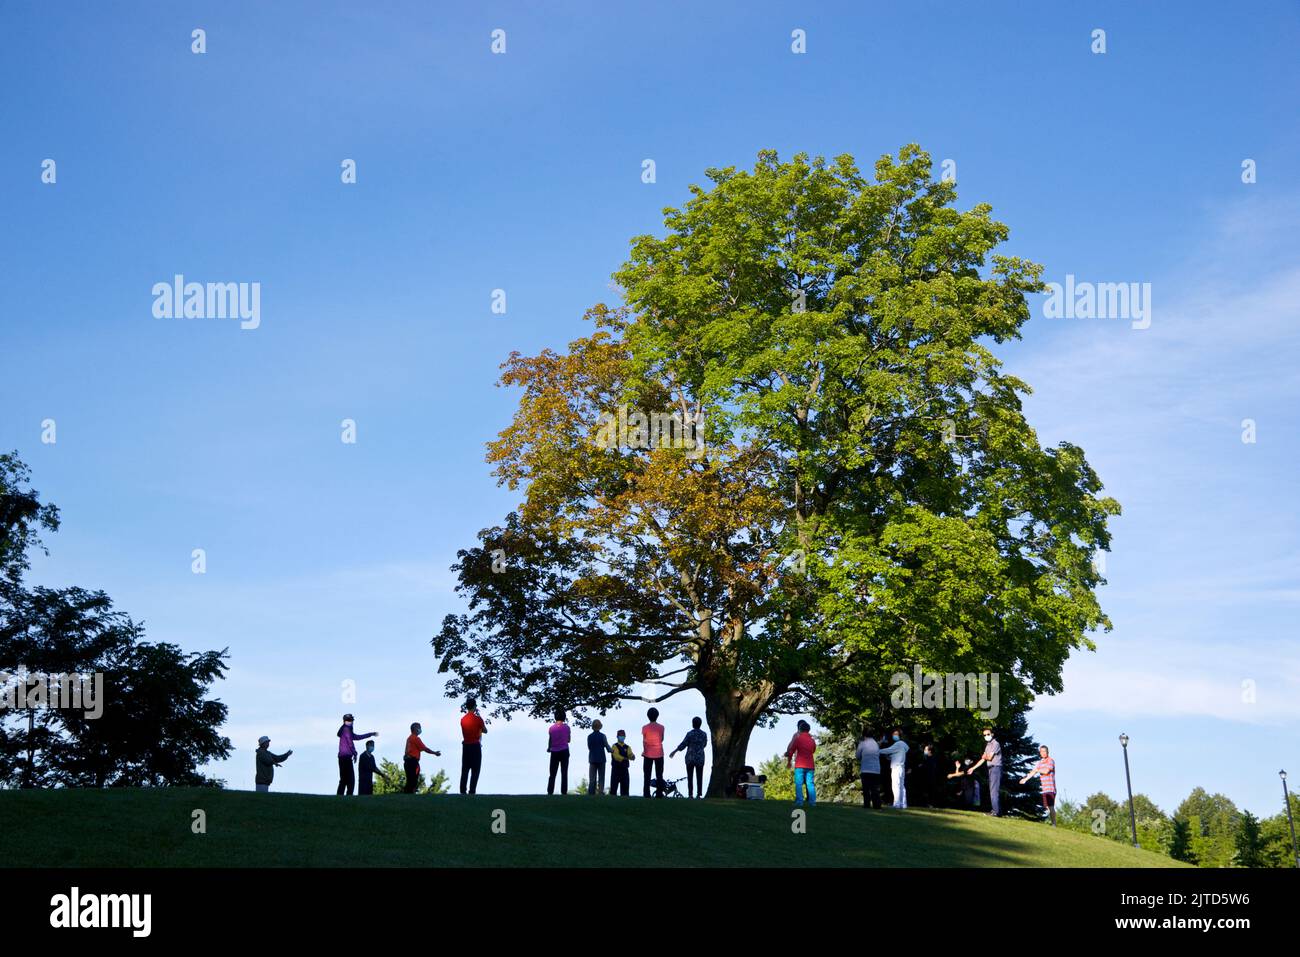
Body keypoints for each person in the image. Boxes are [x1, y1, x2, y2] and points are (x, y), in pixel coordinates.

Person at [337, 713, 377, 796]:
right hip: (346, 758)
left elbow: (357, 737)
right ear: (344, 721)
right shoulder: (346, 729)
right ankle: (348, 797)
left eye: (351, 720)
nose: (351, 722)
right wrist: (355, 753)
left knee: (344, 779)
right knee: (350, 780)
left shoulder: (345, 730)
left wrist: (370, 734)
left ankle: (340, 797)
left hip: (343, 758)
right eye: (349, 720)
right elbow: (350, 742)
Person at [670, 717, 708, 798]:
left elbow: (683, 744)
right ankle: (699, 794)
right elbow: (704, 744)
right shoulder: (704, 734)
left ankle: (690, 794)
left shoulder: (689, 734)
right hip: (700, 758)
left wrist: (674, 751)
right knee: (699, 776)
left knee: (690, 777)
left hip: (690, 758)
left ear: (693, 724)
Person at [967, 727, 1002, 816]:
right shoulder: (988, 745)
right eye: (984, 735)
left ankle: (995, 812)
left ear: (992, 734)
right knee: (992, 790)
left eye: (988, 734)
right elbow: (983, 759)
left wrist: (984, 756)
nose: (986, 736)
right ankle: (997, 811)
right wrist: (973, 768)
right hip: (990, 769)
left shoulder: (995, 744)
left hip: (995, 768)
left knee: (994, 791)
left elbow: (989, 758)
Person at [1021, 744, 1057, 826]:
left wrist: (1037, 770)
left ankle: (1054, 824)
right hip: (1044, 788)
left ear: (1047, 752)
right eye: (1041, 751)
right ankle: (1052, 822)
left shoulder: (1050, 760)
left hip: (1051, 788)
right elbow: (1033, 771)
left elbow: (1046, 771)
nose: (1043, 753)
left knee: (1051, 806)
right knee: (1047, 807)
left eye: (1044, 751)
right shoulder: (1040, 762)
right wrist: (1025, 779)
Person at [784, 719, 817, 806]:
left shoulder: (798, 739)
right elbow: (813, 750)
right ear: (808, 730)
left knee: (799, 784)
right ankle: (812, 802)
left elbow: (791, 750)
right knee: (810, 784)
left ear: (800, 729)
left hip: (800, 765)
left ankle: (799, 802)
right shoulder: (812, 740)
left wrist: (789, 760)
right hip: (810, 765)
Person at [460, 697, 487, 794]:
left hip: (466, 746)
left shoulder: (462, 719)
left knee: (465, 769)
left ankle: (463, 790)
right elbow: (485, 730)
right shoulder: (478, 719)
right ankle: (472, 791)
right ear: (475, 706)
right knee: (475, 770)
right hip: (475, 746)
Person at [404, 722, 441, 794]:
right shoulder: (416, 738)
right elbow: (425, 748)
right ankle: (411, 794)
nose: (420, 729)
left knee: (409, 779)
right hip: (413, 761)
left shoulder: (409, 738)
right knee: (414, 780)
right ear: (415, 729)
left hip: (407, 762)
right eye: (419, 727)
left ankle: (407, 794)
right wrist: (435, 753)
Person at [879, 728, 909, 808]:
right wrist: (890, 757)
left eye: (896, 734)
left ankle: (896, 804)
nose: (894, 736)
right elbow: (896, 754)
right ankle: (903, 804)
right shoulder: (903, 745)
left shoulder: (898, 744)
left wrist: (877, 750)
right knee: (901, 786)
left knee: (896, 785)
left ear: (900, 735)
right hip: (901, 767)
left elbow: (889, 750)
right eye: (893, 734)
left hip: (896, 767)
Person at [641, 707, 666, 797]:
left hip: (647, 753)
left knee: (647, 774)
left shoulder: (644, 728)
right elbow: (662, 739)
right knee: (659, 774)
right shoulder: (662, 727)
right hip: (659, 752)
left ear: (648, 716)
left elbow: (644, 740)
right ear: (657, 716)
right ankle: (659, 793)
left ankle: (646, 793)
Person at [855, 726, 882, 809]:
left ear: (863, 734)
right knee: (875, 789)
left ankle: (867, 805)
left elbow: (857, 756)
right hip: (876, 770)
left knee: (866, 789)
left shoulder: (862, 744)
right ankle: (877, 805)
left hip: (866, 769)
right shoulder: (876, 744)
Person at [547, 709, 571, 795]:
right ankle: (564, 791)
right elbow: (568, 740)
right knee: (564, 772)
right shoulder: (567, 728)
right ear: (564, 717)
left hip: (554, 751)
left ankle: (550, 791)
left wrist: (549, 747)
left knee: (552, 773)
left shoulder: (551, 728)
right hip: (564, 751)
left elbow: (550, 740)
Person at [587, 719, 611, 795]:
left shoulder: (589, 736)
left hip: (592, 759)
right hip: (601, 759)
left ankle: (591, 793)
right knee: (601, 777)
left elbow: (589, 747)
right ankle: (600, 792)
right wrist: (612, 750)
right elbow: (607, 747)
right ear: (600, 727)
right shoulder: (603, 736)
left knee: (592, 778)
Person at [609, 729, 635, 796]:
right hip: (616, 769)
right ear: (617, 737)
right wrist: (625, 758)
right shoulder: (614, 746)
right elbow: (616, 756)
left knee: (625, 788)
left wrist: (632, 756)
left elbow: (630, 754)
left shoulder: (627, 747)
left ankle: (625, 800)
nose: (622, 737)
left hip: (624, 769)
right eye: (620, 736)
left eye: (623, 736)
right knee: (613, 788)